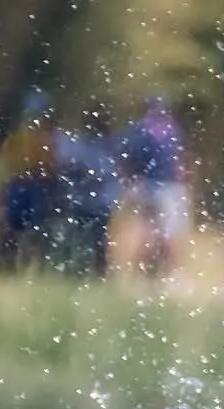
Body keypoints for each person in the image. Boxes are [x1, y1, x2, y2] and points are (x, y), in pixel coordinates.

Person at [118, 96, 188, 277]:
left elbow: (129, 159)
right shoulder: (173, 130)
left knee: (146, 231)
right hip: (169, 188)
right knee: (169, 233)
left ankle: (139, 271)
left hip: (146, 187)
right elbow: (181, 162)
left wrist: (128, 184)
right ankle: (170, 275)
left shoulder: (140, 129)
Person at [0, 88, 59, 268]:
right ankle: (18, 262)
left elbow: (50, 166)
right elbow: (10, 162)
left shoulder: (48, 137)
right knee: (17, 228)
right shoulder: (21, 136)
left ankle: (30, 264)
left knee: (34, 229)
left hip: (37, 185)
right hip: (22, 183)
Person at [55, 109, 119, 278]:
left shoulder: (106, 146)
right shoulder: (88, 145)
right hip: (88, 202)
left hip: (97, 203)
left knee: (95, 241)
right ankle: (78, 271)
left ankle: (97, 273)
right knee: (81, 240)